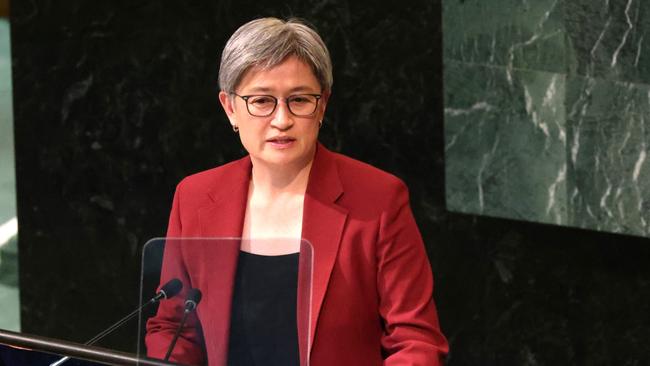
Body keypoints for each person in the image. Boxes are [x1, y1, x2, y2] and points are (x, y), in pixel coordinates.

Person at [145, 17, 448, 366]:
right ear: (230, 108)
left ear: (322, 105)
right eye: (261, 101)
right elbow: (172, 327)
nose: (282, 120)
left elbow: (416, 341)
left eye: (299, 100)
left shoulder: (379, 199)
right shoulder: (195, 196)